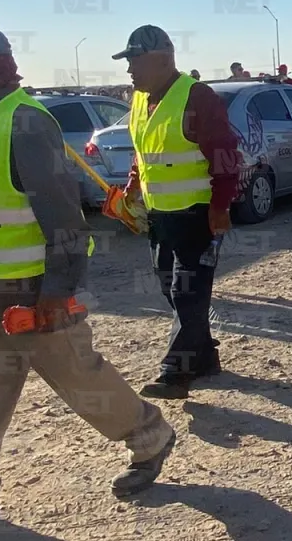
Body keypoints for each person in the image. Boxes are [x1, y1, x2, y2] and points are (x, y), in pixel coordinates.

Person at [0, 22, 176, 539]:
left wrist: (56, 293)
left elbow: (65, 220)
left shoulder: (24, 122)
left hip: (34, 291)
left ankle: (151, 437)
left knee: (79, 378)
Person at [114, 26, 241, 400]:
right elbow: (144, 150)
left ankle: (176, 372)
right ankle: (205, 356)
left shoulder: (198, 98)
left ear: (163, 60)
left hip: (196, 215)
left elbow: (225, 156)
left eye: (135, 61)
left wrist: (220, 207)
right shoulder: (140, 100)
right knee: (171, 291)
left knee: (187, 293)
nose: (130, 70)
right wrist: (133, 186)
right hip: (160, 216)